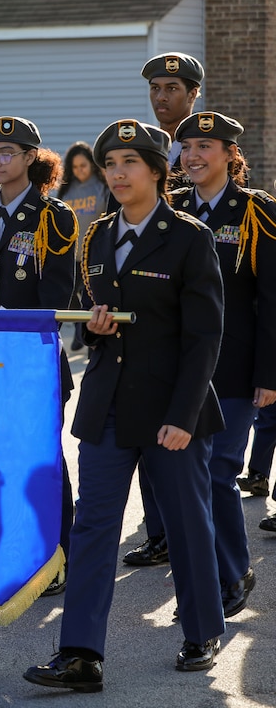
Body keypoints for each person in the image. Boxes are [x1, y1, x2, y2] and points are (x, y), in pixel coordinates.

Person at [24, 120, 225, 692]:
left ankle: (201, 629)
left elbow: (203, 337)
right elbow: (95, 322)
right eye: (110, 162)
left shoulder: (188, 237)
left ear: (159, 172)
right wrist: (95, 326)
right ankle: (81, 654)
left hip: (171, 412)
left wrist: (184, 418)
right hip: (108, 408)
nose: (115, 172)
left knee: (187, 524)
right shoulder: (98, 235)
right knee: (92, 529)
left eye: (129, 163)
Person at [0, 116, 76, 596]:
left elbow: (58, 297)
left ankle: (60, 557)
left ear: (31, 158)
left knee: (42, 464)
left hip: (31, 361)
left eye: (7, 152)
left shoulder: (54, 217)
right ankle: (2, 551)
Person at [167, 111, 276, 613]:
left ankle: (233, 573)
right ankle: (207, 576)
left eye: (205, 146)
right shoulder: (170, 209)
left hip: (235, 366)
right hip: (181, 368)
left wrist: (270, 375)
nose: (191, 155)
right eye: (186, 146)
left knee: (218, 472)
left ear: (232, 155)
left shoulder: (256, 212)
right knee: (188, 479)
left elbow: (272, 300)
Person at [122, 51, 206, 568]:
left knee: (186, 442)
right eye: (155, 88)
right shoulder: (144, 149)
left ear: (193, 93)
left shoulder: (206, 146)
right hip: (145, 314)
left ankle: (193, 540)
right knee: (143, 429)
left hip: (191, 308)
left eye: (172, 88)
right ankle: (159, 533)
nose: (162, 97)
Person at [57, 141, 109, 351]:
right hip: (72, 255)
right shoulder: (67, 190)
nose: (79, 171)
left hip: (94, 255)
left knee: (93, 299)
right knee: (68, 297)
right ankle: (80, 326)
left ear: (92, 164)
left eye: (83, 166)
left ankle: (87, 339)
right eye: (75, 167)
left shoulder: (102, 187)